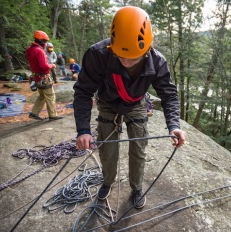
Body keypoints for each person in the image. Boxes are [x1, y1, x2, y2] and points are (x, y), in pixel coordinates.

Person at [74, 6, 186, 209]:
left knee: (139, 148)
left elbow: (169, 95)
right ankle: (107, 182)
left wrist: (174, 125)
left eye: (133, 58)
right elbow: (83, 91)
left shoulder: (157, 61)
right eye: (120, 56)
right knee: (108, 149)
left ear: (147, 48)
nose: (126, 62)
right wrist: (83, 130)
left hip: (136, 103)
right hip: (108, 103)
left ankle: (136, 188)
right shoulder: (98, 54)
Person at [26, 30, 63, 121]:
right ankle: (53, 115)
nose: (46, 44)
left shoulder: (29, 50)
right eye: (45, 42)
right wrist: (52, 65)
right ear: (42, 41)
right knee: (50, 96)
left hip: (36, 77)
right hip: (44, 78)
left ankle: (34, 113)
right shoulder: (39, 51)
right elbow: (44, 66)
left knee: (42, 96)